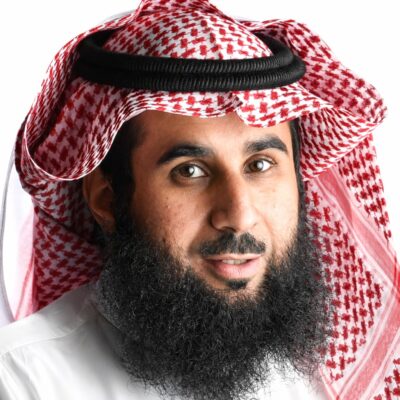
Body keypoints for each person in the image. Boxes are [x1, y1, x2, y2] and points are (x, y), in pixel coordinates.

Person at [0, 0, 399, 399]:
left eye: (260, 165)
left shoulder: (334, 377)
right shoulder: (24, 383)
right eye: (189, 171)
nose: (239, 216)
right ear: (107, 200)